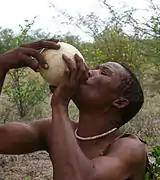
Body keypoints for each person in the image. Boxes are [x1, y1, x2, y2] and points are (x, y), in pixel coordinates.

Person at [0, 39, 147, 180]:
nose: (89, 71)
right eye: (94, 68)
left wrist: (59, 105)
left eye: (103, 73)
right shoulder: (53, 130)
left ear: (119, 102)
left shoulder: (130, 148)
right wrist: (2, 65)